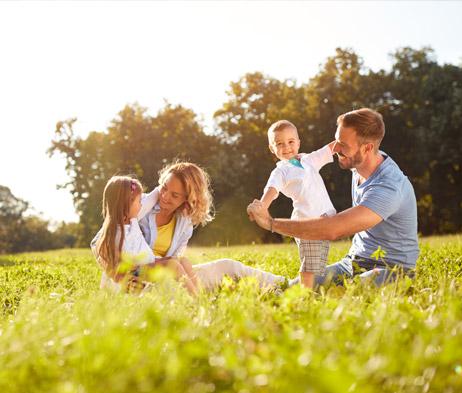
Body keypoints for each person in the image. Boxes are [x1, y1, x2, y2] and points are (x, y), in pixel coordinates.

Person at [247, 108, 419, 287]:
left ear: (367, 148)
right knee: (296, 288)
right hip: (352, 264)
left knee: (353, 291)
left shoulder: (389, 186)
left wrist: (271, 223)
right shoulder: (358, 164)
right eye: (336, 141)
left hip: (391, 269)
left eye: (343, 145)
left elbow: (332, 229)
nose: (336, 149)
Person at [91, 163, 287, 294]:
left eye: (175, 195)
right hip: (136, 281)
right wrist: (121, 276)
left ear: (188, 199)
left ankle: (284, 285)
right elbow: (100, 241)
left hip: (166, 277)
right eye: (164, 188)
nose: (166, 197)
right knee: (176, 271)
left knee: (228, 266)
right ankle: (197, 303)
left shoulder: (185, 223)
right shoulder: (139, 205)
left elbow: (176, 264)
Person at [91, 175, 198, 294]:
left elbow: (153, 197)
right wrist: (125, 278)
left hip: (148, 264)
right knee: (173, 265)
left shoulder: (132, 221)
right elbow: (113, 266)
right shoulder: (115, 232)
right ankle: (196, 300)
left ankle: (200, 293)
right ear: (127, 204)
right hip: (135, 272)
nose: (142, 204)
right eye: (139, 201)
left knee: (182, 261)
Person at [260, 119, 336, 289]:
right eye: (279, 144)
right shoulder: (281, 171)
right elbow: (272, 189)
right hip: (306, 221)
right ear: (272, 149)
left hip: (325, 217)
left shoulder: (308, 160)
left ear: (298, 143)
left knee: (318, 262)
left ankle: (311, 290)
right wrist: (262, 206)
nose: (286, 147)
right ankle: (305, 295)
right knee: (309, 265)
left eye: (291, 142)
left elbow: (329, 149)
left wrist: (346, 141)